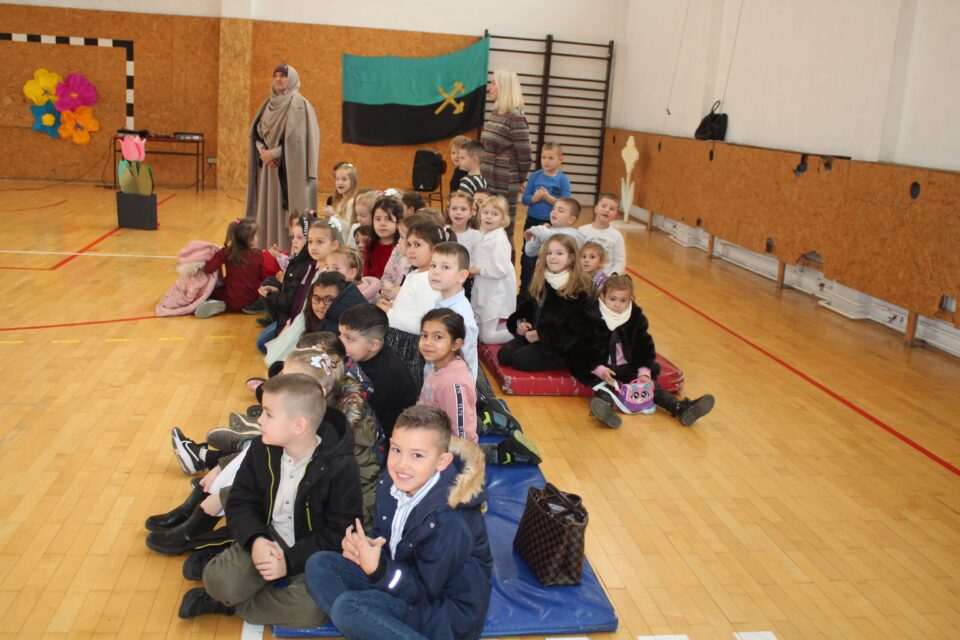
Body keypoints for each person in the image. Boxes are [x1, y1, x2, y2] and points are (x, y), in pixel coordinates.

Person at [179, 375, 362, 626]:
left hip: (312, 554)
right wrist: (256, 539)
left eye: (268, 414)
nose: (260, 420)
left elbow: (339, 532)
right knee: (218, 582)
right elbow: (240, 501)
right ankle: (240, 593)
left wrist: (288, 563)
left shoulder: (341, 466)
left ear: (298, 425)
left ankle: (231, 605)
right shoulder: (261, 448)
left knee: (311, 611)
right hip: (268, 538)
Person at [304, 405, 492, 640]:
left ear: (442, 461)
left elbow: (424, 592)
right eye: (396, 450)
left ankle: (374, 627)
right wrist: (366, 548)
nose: (401, 464)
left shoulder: (450, 520)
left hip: (442, 612)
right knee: (319, 565)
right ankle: (374, 628)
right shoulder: (391, 483)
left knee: (347, 609)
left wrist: (378, 570)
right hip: (403, 579)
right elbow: (388, 541)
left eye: (417, 455)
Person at [245, 64, 320, 252]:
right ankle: (267, 252)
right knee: (268, 211)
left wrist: (274, 153)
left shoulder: (299, 105)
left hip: (289, 171)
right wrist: (263, 151)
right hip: (268, 170)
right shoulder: (268, 104)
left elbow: (299, 141)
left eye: (283, 76)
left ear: (291, 79)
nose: (278, 79)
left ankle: (288, 252)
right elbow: (257, 134)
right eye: (276, 75)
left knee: (288, 214)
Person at [499, 234, 593, 371]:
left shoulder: (577, 288)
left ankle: (565, 362)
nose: (552, 257)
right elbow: (527, 308)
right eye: (549, 253)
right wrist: (521, 324)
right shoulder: (542, 279)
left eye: (559, 253)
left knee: (520, 359)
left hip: (561, 345)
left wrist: (541, 335)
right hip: (536, 336)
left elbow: (574, 329)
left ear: (571, 258)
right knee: (504, 355)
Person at [378, 221, 448, 387]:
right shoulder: (416, 273)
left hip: (410, 348)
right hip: (401, 341)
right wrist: (393, 306)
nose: (410, 250)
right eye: (409, 244)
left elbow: (423, 325)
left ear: (435, 249)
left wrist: (390, 314)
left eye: (417, 245)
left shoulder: (428, 281)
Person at [339, 304, 419, 440]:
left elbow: (360, 420)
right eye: (340, 334)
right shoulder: (366, 355)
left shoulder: (384, 376)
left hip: (381, 439)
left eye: (349, 338)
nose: (340, 342)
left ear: (373, 345)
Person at [480, 70, 531, 246]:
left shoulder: (516, 117)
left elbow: (525, 155)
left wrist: (519, 180)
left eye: (493, 83)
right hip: (488, 176)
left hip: (504, 180)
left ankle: (506, 262)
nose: (490, 88)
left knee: (503, 229)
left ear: (504, 87)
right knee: (485, 225)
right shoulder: (496, 113)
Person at [196, 218, 280, 319]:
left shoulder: (226, 252)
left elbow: (208, 269)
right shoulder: (259, 254)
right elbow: (262, 277)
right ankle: (257, 305)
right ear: (249, 239)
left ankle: (216, 303)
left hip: (230, 298)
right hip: (252, 299)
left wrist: (210, 255)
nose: (257, 238)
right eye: (255, 235)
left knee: (210, 291)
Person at [257, 214, 314, 351]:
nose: (294, 241)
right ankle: (277, 323)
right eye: (293, 237)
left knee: (262, 344)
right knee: (268, 283)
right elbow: (290, 289)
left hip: (293, 317)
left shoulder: (305, 265)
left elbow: (290, 301)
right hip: (287, 313)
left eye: (299, 238)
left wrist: (270, 296)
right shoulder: (298, 259)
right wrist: (277, 290)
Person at [520, 142, 570, 291]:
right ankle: (525, 291)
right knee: (528, 257)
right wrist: (534, 198)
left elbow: (566, 203)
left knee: (549, 257)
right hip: (533, 221)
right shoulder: (535, 176)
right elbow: (525, 199)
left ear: (560, 159)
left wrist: (548, 198)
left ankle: (545, 290)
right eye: (543, 157)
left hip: (553, 224)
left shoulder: (562, 179)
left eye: (551, 158)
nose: (546, 161)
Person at [428, 242, 478, 380]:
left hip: (451, 381)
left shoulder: (459, 314)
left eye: (445, 267)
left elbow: (462, 356)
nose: (436, 271)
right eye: (433, 265)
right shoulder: (442, 301)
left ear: (462, 276)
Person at [470, 195, 516, 344]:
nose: (489, 217)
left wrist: (475, 271)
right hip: (484, 287)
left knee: (487, 337)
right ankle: (517, 328)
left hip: (495, 291)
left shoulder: (499, 240)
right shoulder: (485, 234)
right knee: (481, 333)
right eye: (486, 212)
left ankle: (523, 334)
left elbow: (500, 270)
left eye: (495, 214)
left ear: (502, 219)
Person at [301, 271, 366, 336]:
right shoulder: (310, 319)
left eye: (329, 299)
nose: (321, 306)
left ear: (341, 298)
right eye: (316, 298)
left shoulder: (341, 330)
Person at [579, 193, 626, 275]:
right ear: (596, 209)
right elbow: (576, 255)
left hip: (606, 279)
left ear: (616, 215)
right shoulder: (582, 230)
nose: (607, 210)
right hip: (583, 277)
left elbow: (620, 262)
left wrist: (612, 276)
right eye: (604, 206)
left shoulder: (617, 236)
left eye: (611, 209)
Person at [364, 197, 404, 280]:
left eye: (388, 219)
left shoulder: (401, 247)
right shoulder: (370, 243)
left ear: (398, 222)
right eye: (378, 219)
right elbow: (366, 272)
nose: (382, 223)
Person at [324, 161, 358, 229]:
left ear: (352, 182)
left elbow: (348, 227)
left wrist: (333, 214)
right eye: (337, 179)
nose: (340, 182)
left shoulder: (351, 202)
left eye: (344, 179)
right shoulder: (340, 200)